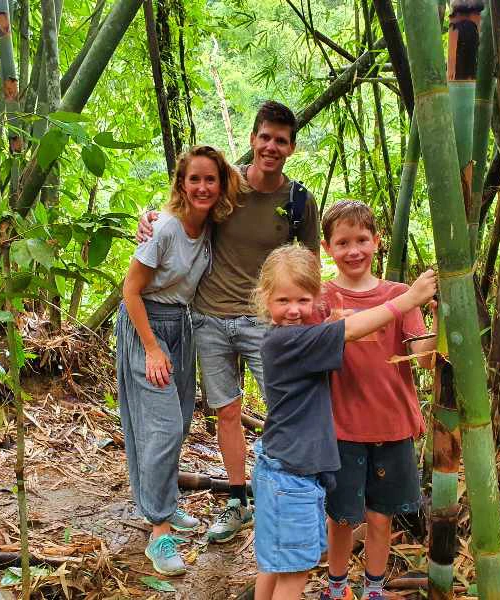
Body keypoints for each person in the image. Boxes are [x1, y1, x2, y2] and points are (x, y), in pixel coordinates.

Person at [137, 101, 321, 543]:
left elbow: (311, 265)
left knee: (286, 409)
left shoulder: (298, 201)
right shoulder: (228, 184)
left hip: (264, 324)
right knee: (228, 412)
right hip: (209, 318)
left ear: (291, 147)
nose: (271, 147)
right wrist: (150, 217)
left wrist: (308, 320)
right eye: (265, 137)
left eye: (280, 140)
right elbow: (186, 207)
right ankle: (238, 501)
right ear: (253, 138)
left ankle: (284, 494)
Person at [250, 244, 437, 600]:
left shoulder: (285, 339)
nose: (293, 310)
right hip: (292, 477)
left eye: (303, 301)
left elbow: (348, 329)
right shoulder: (293, 340)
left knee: (275, 565)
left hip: (280, 468)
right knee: (294, 572)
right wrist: (407, 298)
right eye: (283, 301)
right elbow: (350, 330)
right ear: (265, 299)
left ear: (316, 301)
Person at [116, 145, 241, 576]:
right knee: (162, 426)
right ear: (181, 185)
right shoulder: (165, 228)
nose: (203, 187)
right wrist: (151, 347)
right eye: (195, 179)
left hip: (182, 325)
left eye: (211, 179)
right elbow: (130, 290)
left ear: (221, 185)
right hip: (146, 324)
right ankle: (158, 531)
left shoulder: (209, 227)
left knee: (179, 420)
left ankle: (163, 501)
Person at [317, 201, 438, 600]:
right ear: (327, 247)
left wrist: (441, 315)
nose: (354, 250)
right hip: (340, 426)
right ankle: (336, 587)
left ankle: (373, 588)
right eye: (343, 242)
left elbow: (422, 358)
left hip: (391, 425)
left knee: (380, 516)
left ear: (377, 242)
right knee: (340, 518)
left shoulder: (401, 294)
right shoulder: (320, 298)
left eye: (362, 240)